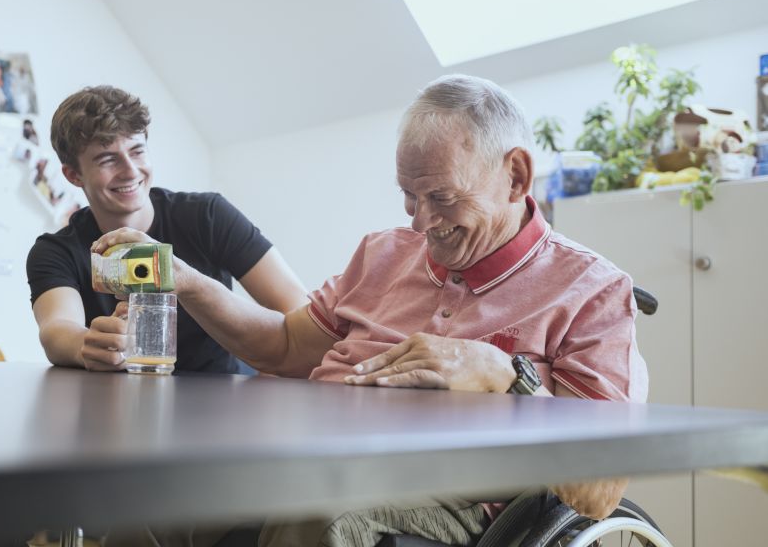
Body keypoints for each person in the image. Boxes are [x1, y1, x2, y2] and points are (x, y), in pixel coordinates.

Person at [92, 75, 649, 546]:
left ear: (517, 176)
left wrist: (507, 377)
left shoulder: (590, 290)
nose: (420, 224)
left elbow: (598, 490)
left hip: (438, 495)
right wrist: (184, 280)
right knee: (143, 498)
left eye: (443, 199)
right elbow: (284, 347)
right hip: (309, 452)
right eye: (410, 197)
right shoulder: (382, 252)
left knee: (313, 512)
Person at [26, 85, 307, 375]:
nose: (131, 171)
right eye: (108, 159)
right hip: (116, 404)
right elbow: (57, 329)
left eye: (137, 151)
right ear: (73, 175)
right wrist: (85, 345)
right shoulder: (56, 250)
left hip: (221, 395)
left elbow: (298, 309)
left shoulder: (207, 216)